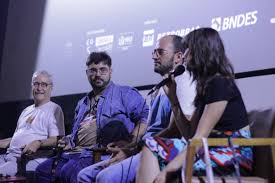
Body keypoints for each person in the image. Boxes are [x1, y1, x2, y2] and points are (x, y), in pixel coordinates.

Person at [136, 27, 253, 183]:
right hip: (209, 148)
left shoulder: (219, 83)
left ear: (200, 52)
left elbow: (198, 138)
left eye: (187, 51)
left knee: (168, 168)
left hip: (230, 153)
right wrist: (173, 99)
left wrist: (170, 168)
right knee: (151, 144)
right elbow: (189, 135)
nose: (183, 56)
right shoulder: (205, 86)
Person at [77, 35, 196, 183]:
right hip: (144, 148)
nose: (154, 56)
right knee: (84, 175)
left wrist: (132, 150)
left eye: (160, 52)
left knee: (104, 178)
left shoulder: (182, 83)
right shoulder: (163, 87)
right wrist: (129, 145)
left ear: (178, 57)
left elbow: (174, 130)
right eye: (154, 52)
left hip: (159, 150)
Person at [35, 52, 149, 183]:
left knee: (69, 172)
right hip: (73, 153)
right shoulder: (82, 103)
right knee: (42, 171)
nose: (98, 74)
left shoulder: (125, 93)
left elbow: (144, 118)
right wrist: (67, 140)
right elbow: (76, 134)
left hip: (97, 153)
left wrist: (130, 143)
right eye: (93, 70)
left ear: (110, 72)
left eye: (103, 70)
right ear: (87, 73)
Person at [0, 71, 65, 176]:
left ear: (51, 88)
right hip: (8, 156)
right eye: (36, 84)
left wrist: (38, 142)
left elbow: (56, 139)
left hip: (26, 160)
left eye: (44, 84)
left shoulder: (54, 109)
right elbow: (15, 139)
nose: (39, 88)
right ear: (32, 86)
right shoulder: (26, 110)